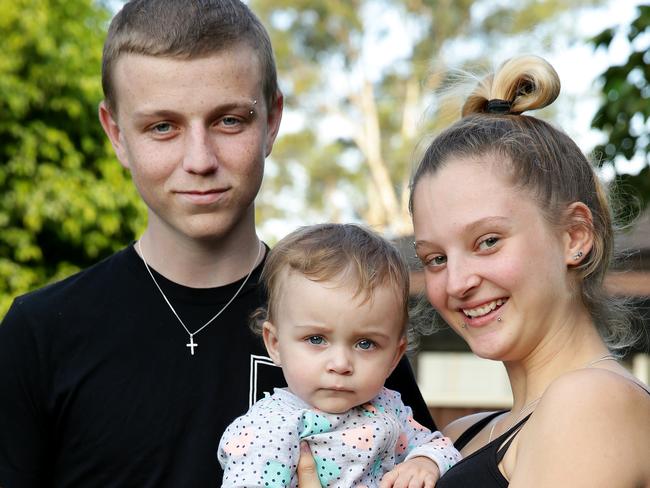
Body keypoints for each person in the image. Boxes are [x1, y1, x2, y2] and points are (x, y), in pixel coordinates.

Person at [0, 1, 435, 486]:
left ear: (272, 120)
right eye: (162, 127)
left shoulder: (348, 314)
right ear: (117, 134)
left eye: (229, 120)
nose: (199, 159)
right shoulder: (39, 334)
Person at [297, 55, 650, 487]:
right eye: (436, 259)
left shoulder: (592, 402)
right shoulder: (457, 438)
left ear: (574, 236)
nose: (458, 283)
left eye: (488, 241)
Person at [217, 223, 461, 487]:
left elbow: (443, 449)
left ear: (394, 357)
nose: (341, 364)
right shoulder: (269, 428)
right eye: (316, 339)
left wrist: (425, 462)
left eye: (365, 344)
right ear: (275, 344)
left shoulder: (389, 408)